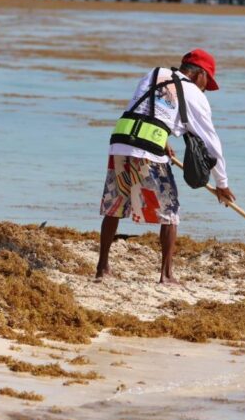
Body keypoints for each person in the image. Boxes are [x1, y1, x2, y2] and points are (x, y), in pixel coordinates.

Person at [95, 49, 235, 285]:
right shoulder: (194, 94)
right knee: (170, 214)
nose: (205, 88)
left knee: (115, 206)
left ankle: (102, 268)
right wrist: (222, 184)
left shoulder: (154, 73)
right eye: (206, 82)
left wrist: (164, 141)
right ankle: (167, 275)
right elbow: (211, 142)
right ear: (200, 74)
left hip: (120, 140)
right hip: (148, 149)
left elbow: (147, 109)